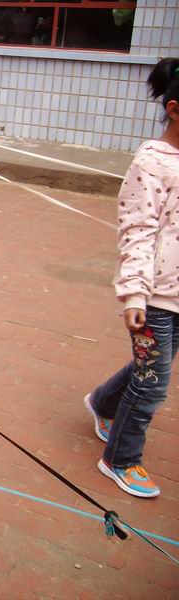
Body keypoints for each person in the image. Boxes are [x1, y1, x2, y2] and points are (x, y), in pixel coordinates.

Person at [84, 57, 179, 498]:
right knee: (152, 384)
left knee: (151, 367)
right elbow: (138, 230)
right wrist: (135, 295)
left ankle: (102, 402)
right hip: (155, 296)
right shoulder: (153, 162)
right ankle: (120, 458)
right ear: (174, 109)